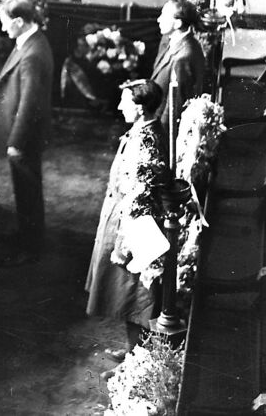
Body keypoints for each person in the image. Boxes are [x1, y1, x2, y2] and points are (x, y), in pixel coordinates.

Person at [85, 79, 167, 352]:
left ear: (141, 108)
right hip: (122, 219)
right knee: (125, 295)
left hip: (134, 228)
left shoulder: (147, 140)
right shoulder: (140, 130)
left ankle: (137, 359)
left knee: (134, 295)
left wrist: (124, 243)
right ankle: (133, 351)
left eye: (125, 102)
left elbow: (140, 196)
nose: (120, 107)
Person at [0, 0, 54, 266]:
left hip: (26, 135)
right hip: (26, 133)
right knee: (24, 188)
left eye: (5, 22)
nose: (3, 28)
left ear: (19, 22)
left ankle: (30, 247)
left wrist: (16, 141)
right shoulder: (31, 40)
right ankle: (25, 234)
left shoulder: (32, 54)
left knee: (29, 189)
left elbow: (30, 103)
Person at [151, 0, 205, 140]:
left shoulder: (183, 56)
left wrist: (160, 137)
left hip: (163, 130)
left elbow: (175, 104)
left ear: (178, 23)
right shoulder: (174, 43)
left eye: (164, 15)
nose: (158, 19)